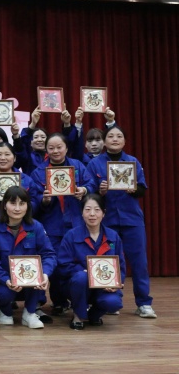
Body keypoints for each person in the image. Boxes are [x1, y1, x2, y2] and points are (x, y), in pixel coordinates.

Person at [87, 126, 156, 318]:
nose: (115, 139)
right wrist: (100, 192)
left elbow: (142, 190)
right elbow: (90, 194)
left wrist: (133, 190)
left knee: (139, 262)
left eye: (119, 136)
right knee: (108, 261)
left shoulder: (132, 162)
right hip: (106, 220)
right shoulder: (94, 164)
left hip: (131, 219)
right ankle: (111, 300)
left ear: (124, 141)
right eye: (110, 136)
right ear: (104, 141)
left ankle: (144, 303)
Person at [30, 132, 95, 315]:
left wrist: (84, 190)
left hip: (76, 223)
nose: (55, 151)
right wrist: (44, 200)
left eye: (59, 147)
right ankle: (58, 301)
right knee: (56, 265)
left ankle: (81, 299)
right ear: (46, 150)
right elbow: (33, 201)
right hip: (52, 225)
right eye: (51, 148)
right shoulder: (38, 172)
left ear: (66, 148)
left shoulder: (78, 166)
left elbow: (91, 184)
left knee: (79, 262)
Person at [0, 186, 56, 329]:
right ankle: (4, 311)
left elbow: (49, 255)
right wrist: (5, 280)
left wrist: (45, 274)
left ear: (27, 206)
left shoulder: (36, 227)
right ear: (5, 205)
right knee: (3, 294)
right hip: (3, 281)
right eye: (13, 203)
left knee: (38, 278)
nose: (17, 208)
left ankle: (29, 313)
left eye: (22, 203)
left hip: (29, 281)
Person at [58, 194, 125, 329]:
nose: (92, 214)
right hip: (77, 286)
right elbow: (63, 265)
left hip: (103, 286)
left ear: (103, 213)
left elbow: (121, 266)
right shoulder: (71, 235)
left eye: (97, 210)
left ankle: (94, 315)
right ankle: (78, 315)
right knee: (81, 278)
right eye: (88, 210)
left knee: (114, 303)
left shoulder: (113, 236)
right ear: (82, 213)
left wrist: (115, 283)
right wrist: (87, 273)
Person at [19, 107, 80, 175]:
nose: (40, 140)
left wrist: (66, 124)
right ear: (30, 142)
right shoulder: (28, 157)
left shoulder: (56, 155)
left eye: (43, 137)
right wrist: (33, 123)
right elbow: (23, 143)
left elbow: (67, 142)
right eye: (36, 137)